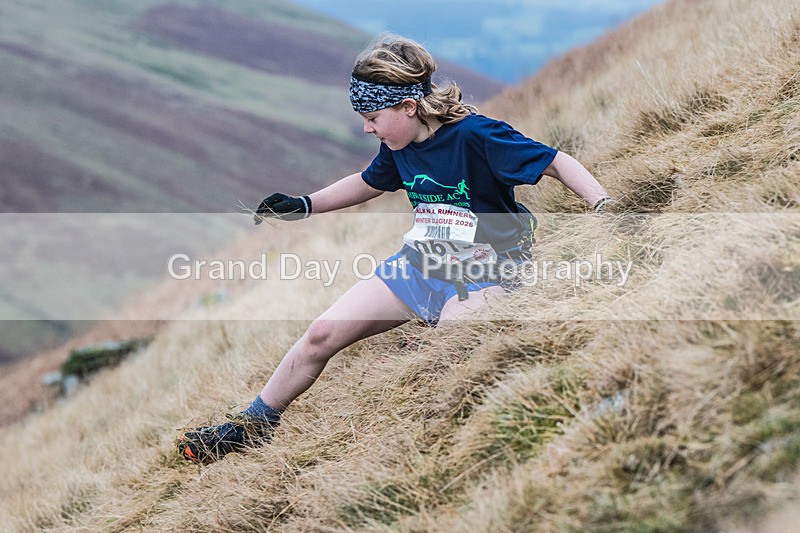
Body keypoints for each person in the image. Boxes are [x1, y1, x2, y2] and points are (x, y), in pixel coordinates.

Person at [178, 34, 610, 464]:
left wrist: (603, 205)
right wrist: (305, 205)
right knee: (321, 334)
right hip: (422, 265)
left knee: (447, 350)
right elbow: (368, 183)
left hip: (489, 269)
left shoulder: (477, 135)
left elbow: (556, 161)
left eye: (372, 117)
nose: (367, 128)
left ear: (408, 106)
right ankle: (252, 426)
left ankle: (436, 446)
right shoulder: (398, 145)